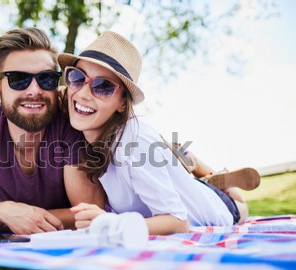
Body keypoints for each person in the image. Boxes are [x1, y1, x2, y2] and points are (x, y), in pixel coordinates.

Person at [57, 31, 260, 235]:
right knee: (183, 174)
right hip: (181, 187)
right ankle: (194, 169)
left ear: (122, 103)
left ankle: (214, 179)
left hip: (217, 206)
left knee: (240, 207)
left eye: (103, 87)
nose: (82, 93)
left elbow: (178, 222)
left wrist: (113, 224)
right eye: (76, 77)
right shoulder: (92, 138)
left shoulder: (134, 143)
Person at [0, 27, 105, 235]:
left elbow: (89, 214)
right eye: (18, 79)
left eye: (46, 79)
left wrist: (23, 218)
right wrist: (5, 211)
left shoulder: (71, 120)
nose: (34, 90)